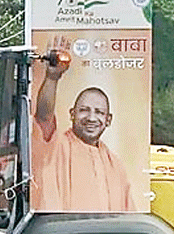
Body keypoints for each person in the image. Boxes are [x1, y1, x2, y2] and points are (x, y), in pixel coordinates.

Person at [31, 37, 133, 211]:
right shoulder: (55, 146)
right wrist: (52, 78)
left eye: (99, 112)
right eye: (84, 110)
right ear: (72, 114)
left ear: (108, 120)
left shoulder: (116, 165)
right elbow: (44, 117)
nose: (91, 118)